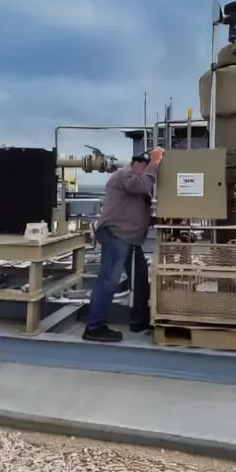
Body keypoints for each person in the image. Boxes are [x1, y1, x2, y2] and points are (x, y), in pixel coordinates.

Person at [83, 146, 164, 342]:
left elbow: (135, 207)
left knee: (140, 277)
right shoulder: (126, 174)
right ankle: (94, 327)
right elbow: (141, 186)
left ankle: (139, 319)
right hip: (117, 237)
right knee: (108, 280)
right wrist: (154, 164)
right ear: (139, 164)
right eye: (145, 168)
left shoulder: (136, 178)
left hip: (129, 239)